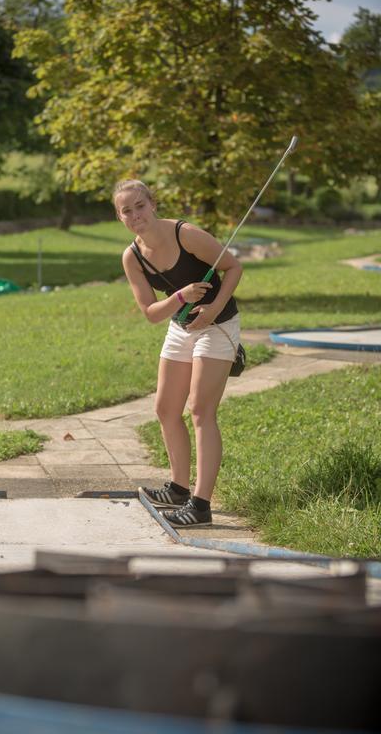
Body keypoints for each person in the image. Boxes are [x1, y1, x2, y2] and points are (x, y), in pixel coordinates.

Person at [115, 179, 243, 528]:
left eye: (140, 206)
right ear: (120, 218)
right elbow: (151, 313)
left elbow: (233, 267)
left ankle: (200, 506)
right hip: (181, 325)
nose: (135, 215)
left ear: (152, 204)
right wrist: (182, 297)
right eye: (127, 211)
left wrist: (214, 308)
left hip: (218, 324)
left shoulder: (186, 235)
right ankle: (178, 489)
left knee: (200, 410)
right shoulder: (133, 257)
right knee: (165, 409)